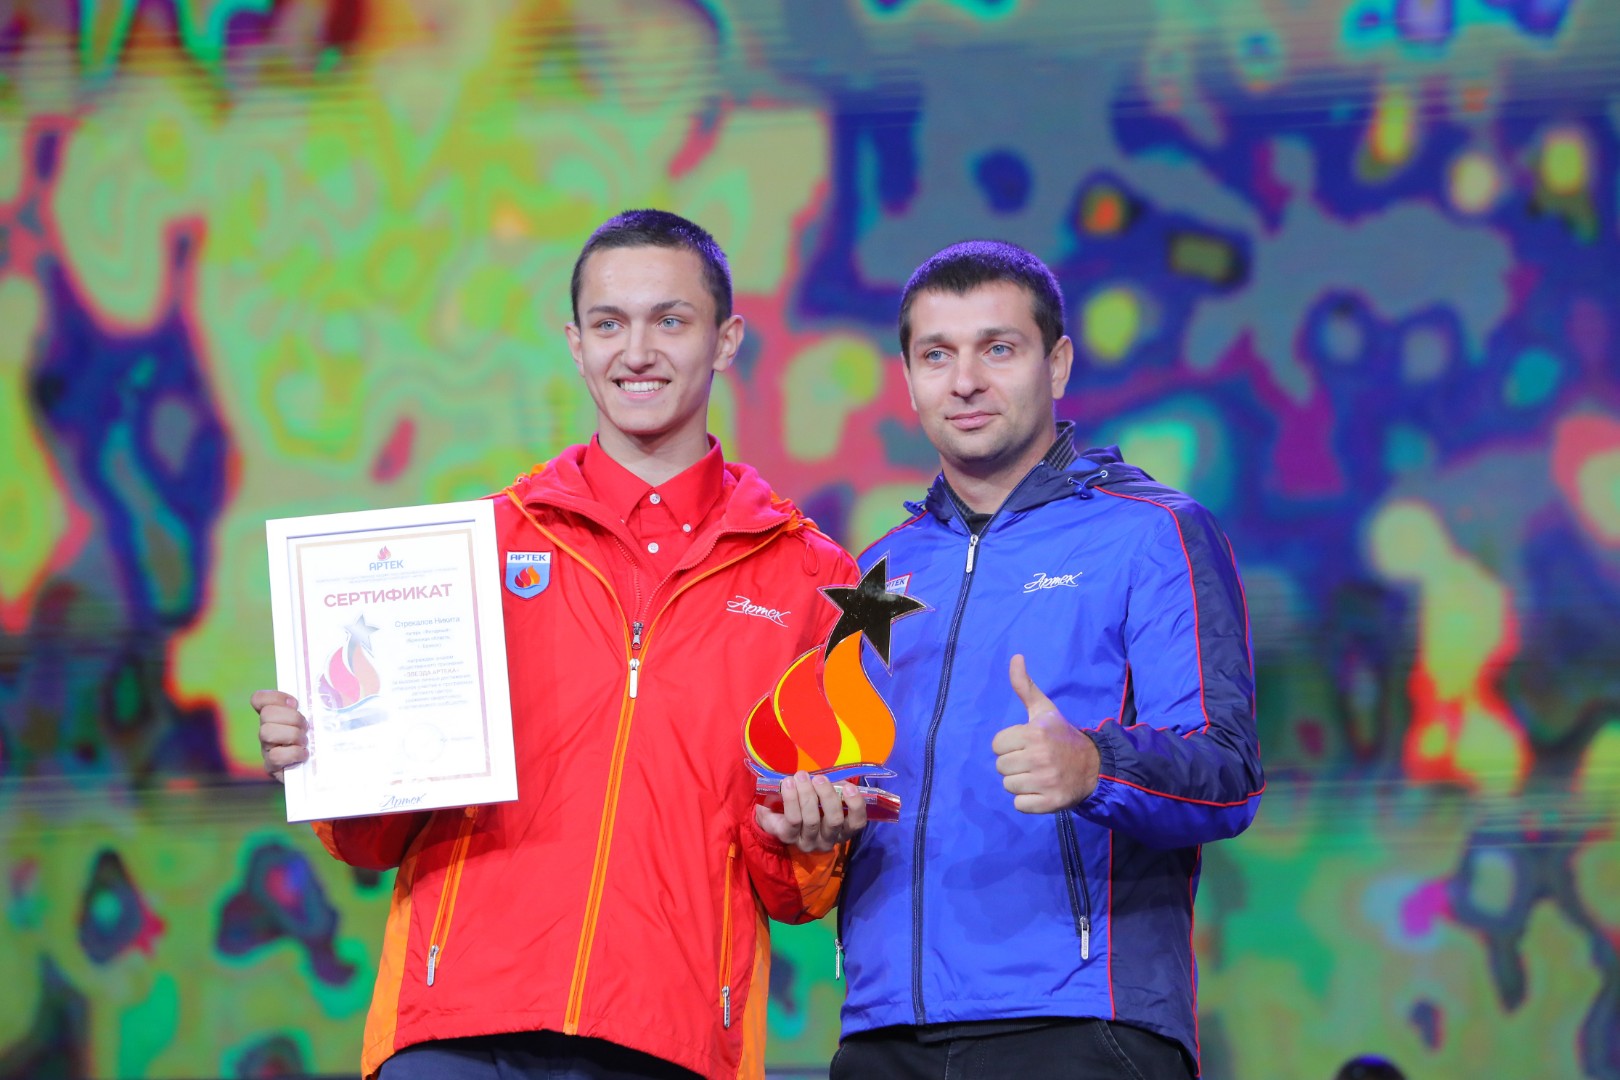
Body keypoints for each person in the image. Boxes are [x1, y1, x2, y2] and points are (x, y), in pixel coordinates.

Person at [252, 209, 868, 1080]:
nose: (637, 352)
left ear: (726, 341)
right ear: (576, 345)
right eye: (609, 324)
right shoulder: (474, 548)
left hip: (670, 1038)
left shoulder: (811, 579)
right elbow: (371, 840)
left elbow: (797, 893)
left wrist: (807, 838)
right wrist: (327, 753)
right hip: (454, 1031)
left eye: (671, 321)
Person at [830, 241, 1264, 1080]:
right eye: (937, 355)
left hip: (1078, 1021)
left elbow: (1229, 772)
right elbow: (849, 769)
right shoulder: (876, 569)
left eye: (998, 348)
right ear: (909, 379)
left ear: (1057, 363)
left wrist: (1095, 765)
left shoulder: (1153, 533)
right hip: (884, 1032)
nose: (965, 381)